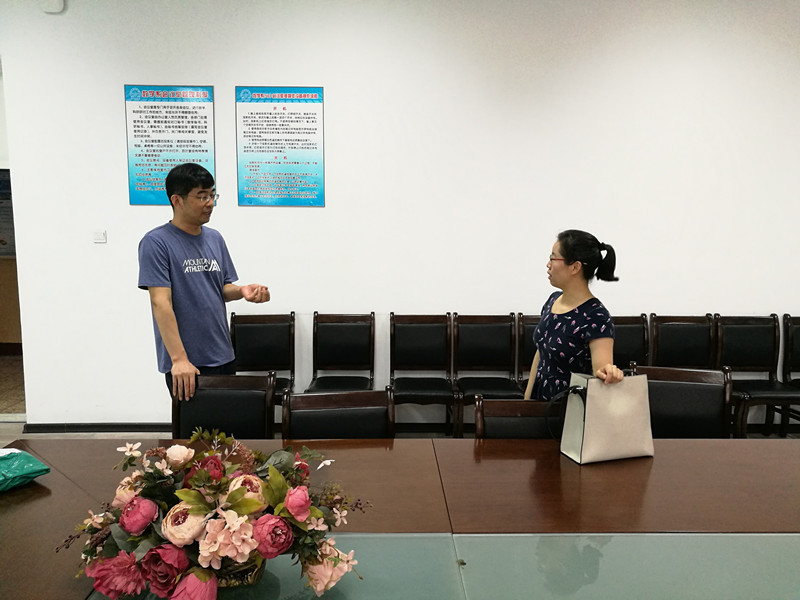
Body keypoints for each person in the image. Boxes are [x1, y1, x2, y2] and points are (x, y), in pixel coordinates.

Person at [138, 163, 270, 401]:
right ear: (177, 200)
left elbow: (221, 288)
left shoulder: (214, 238)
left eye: (212, 195)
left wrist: (242, 290)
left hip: (223, 354)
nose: (210, 203)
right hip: (188, 364)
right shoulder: (156, 242)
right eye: (201, 196)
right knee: (196, 425)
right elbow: (160, 302)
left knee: (227, 424)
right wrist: (179, 360)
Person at [524, 229, 624, 401]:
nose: (548, 264)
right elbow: (541, 353)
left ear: (575, 267)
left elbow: (601, 373)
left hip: (569, 407)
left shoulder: (596, 316)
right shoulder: (553, 300)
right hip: (539, 402)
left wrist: (610, 373)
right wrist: (526, 402)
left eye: (553, 258)